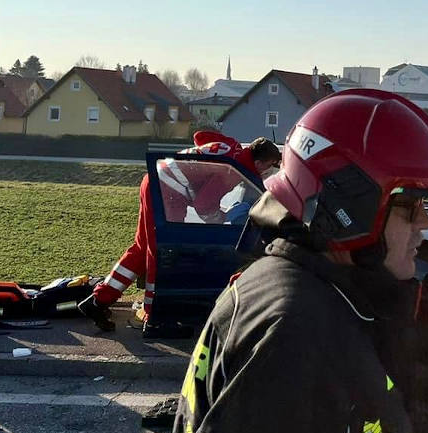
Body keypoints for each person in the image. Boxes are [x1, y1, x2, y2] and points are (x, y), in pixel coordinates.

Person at [169, 89, 428, 433]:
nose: (425, 224)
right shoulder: (294, 335)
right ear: (351, 206)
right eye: (411, 205)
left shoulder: (324, 299)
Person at [77, 132, 281, 331]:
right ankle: (154, 316)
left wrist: (200, 167)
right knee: (160, 254)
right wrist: (222, 218)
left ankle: (98, 300)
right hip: (169, 192)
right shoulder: (231, 172)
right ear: (259, 163)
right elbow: (203, 205)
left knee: (142, 248)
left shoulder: (231, 145)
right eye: (270, 166)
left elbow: (200, 136)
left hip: (154, 179)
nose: (269, 171)